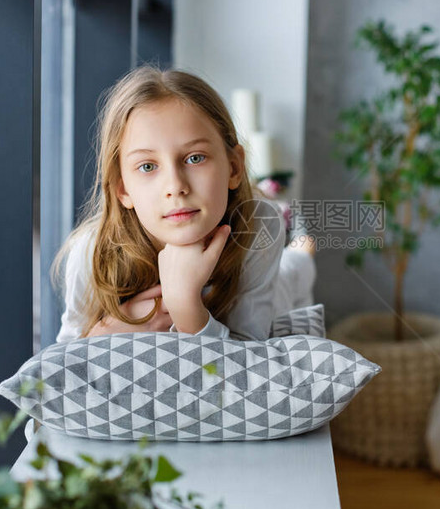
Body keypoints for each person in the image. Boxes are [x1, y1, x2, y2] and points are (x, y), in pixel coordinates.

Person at [52, 66, 316, 343]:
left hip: (280, 290)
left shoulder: (260, 224)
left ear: (234, 168)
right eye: (147, 166)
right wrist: (103, 333)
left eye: (194, 158)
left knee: (295, 269)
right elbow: (64, 361)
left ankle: (302, 250)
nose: (175, 186)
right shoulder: (92, 252)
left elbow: (245, 367)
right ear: (123, 189)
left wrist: (186, 307)